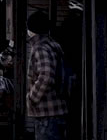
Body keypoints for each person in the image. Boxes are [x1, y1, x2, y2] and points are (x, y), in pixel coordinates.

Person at [27, 11, 68, 140]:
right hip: (57, 109)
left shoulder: (40, 48)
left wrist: (32, 97)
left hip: (47, 112)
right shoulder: (53, 45)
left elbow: (46, 75)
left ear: (32, 29)